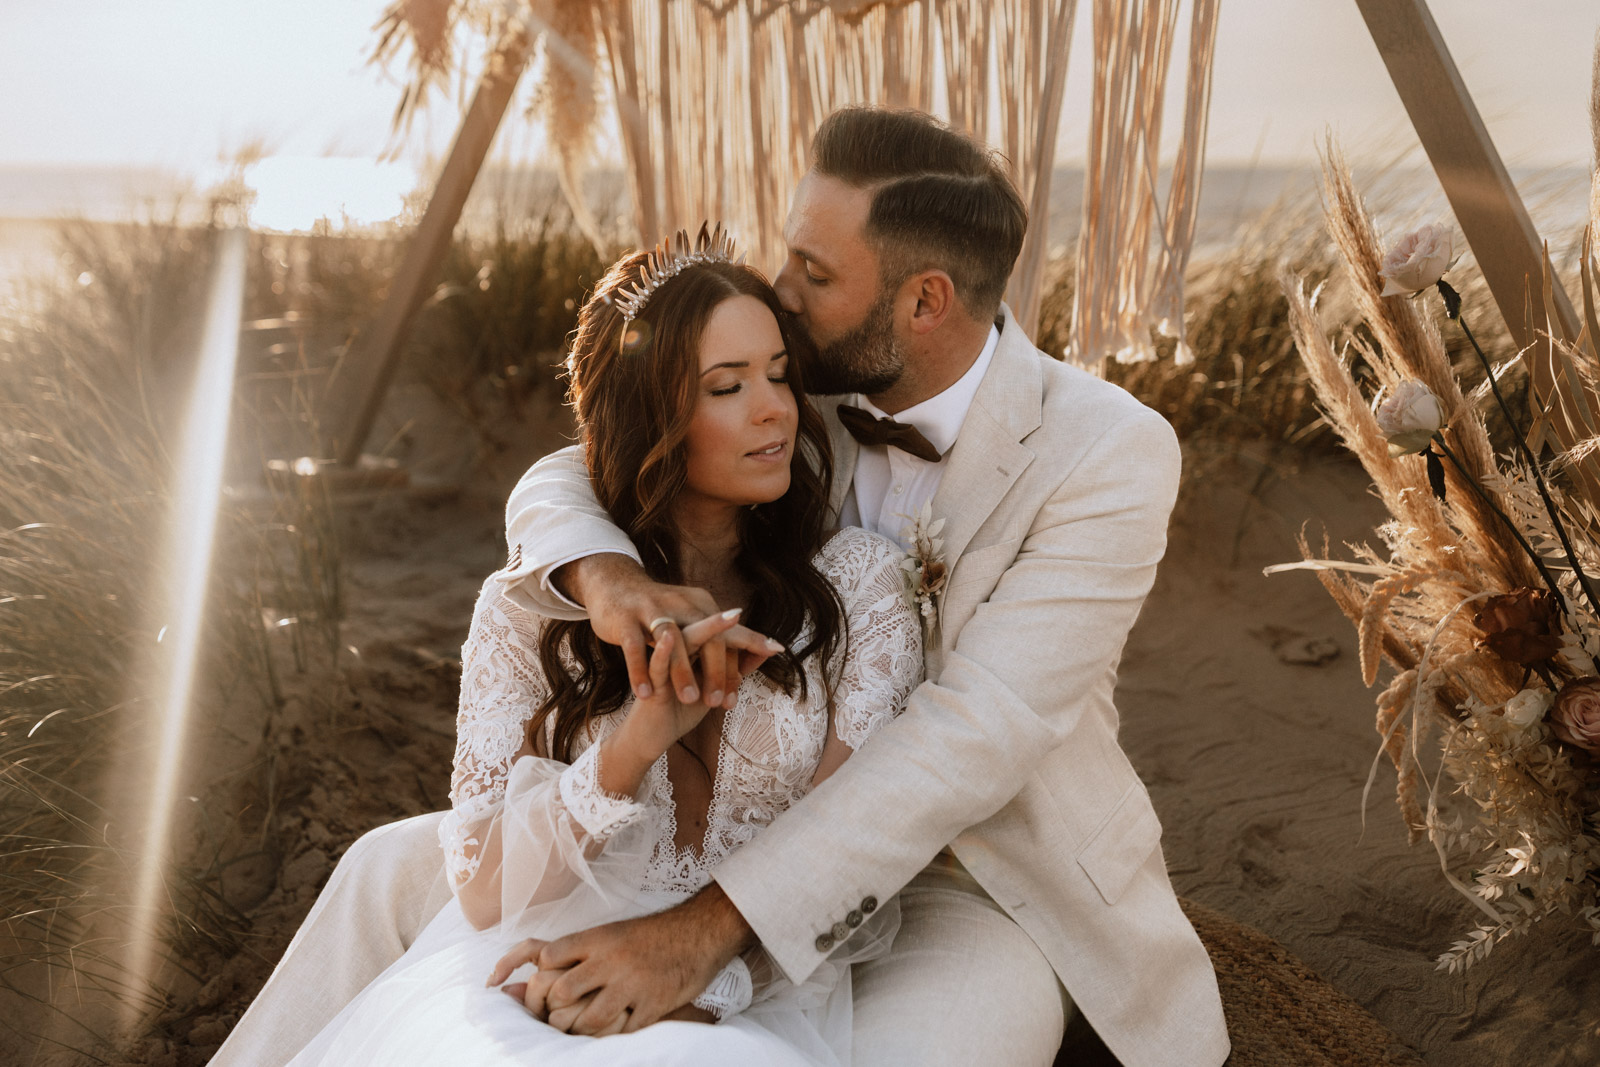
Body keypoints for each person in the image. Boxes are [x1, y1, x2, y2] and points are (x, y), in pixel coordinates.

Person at [215, 105, 1230, 1067]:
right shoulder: (805, 385)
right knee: (381, 869)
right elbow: (580, 463)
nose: (779, 289)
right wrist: (606, 578)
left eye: (813, 269)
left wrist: (696, 937)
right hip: (701, 838)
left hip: (971, 873)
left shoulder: (1105, 450)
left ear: (923, 301)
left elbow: (969, 737)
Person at [242, 227, 924, 1066]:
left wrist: (701, 984)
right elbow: (485, 892)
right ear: (651, 416)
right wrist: (633, 746)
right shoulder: (533, 607)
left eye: (779, 374)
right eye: (726, 386)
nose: (775, 408)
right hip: (538, 970)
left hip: (751, 998)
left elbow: (849, 849)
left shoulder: (859, 588)